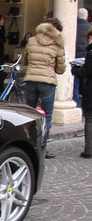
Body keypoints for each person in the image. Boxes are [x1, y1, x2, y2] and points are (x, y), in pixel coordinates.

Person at [20, 18, 66, 159]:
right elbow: (60, 69)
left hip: (31, 80)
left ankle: (28, 145)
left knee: (29, 114)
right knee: (47, 116)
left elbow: (23, 61)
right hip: (47, 82)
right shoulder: (57, 44)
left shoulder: (32, 40)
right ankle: (42, 149)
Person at [74, 27, 92, 158]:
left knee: (90, 120)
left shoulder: (90, 54)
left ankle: (89, 150)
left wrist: (74, 69)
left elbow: (85, 72)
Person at [74, 8, 90, 107]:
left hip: (74, 60)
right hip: (86, 60)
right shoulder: (90, 28)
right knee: (85, 85)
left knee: (74, 86)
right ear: (87, 16)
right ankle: (85, 105)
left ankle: (76, 105)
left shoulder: (73, 27)